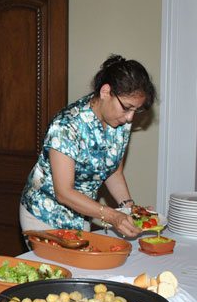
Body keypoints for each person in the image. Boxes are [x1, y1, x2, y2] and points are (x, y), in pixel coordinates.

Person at [19, 54, 156, 239]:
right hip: (43, 215)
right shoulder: (66, 125)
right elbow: (64, 192)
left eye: (135, 110)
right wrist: (112, 216)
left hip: (83, 214)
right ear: (106, 92)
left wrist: (130, 209)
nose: (130, 117)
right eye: (127, 107)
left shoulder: (120, 122)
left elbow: (113, 172)